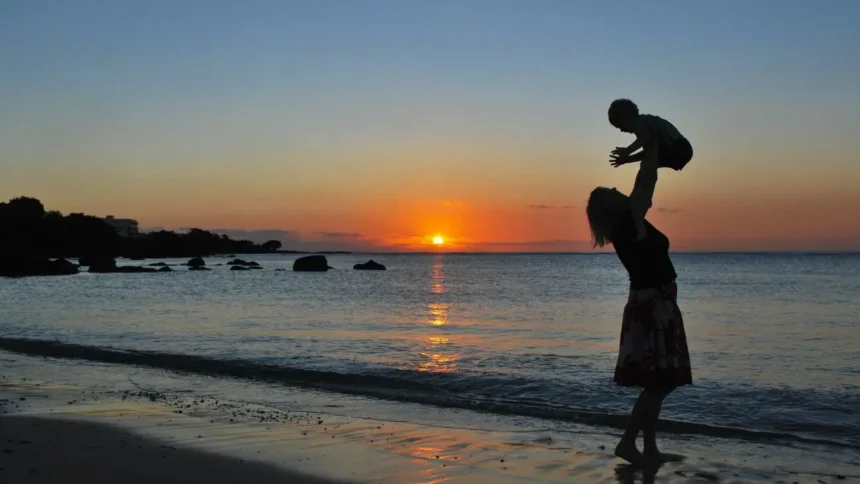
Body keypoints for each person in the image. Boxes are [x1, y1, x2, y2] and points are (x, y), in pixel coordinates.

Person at [586, 141, 693, 466]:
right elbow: (646, 181)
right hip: (652, 306)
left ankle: (649, 449)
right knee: (660, 384)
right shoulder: (629, 224)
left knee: (657, 382)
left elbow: (646, 181)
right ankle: (628, 442)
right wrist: (649, 153)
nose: (618, 189)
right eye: (612, 191)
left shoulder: (628, 225)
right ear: (612, 205)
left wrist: (647, 155)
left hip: (652, 303)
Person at [607, 98, 693, 172]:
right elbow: (648, 152)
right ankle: (642, 185)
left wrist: (628, 150)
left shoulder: (641, 122)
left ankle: (644, 185)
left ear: (627, 117)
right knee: (646, 164)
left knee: (647, 164)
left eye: (620, 126)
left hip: (681, 148)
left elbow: (644, 138)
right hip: (678, 151)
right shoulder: (646, 129)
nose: (622, 130)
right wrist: (627, 159)